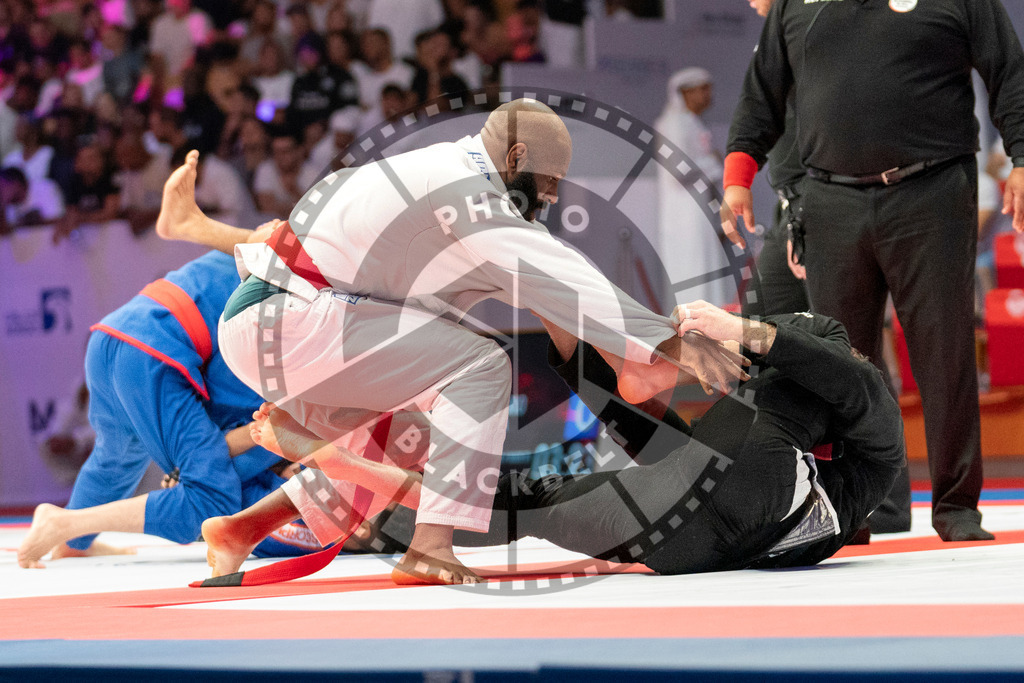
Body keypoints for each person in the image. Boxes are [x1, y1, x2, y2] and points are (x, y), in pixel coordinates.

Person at [215, 98, 749, 585]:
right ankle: (429, 548)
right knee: (485, 367)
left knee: (416, 441)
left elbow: (549, 286)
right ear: (516, 156)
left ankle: (242, 529)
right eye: (551, 180)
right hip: (290, 318)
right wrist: (664, 343)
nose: (554, 196)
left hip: (287, 321)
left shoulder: (446, 184)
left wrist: (632, 362)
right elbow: (557, 271)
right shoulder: (464, 191)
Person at [204, 301, 907, 577]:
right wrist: (581, 365)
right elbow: (673, 457)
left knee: (522, 500)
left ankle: (354, 486)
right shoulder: (797, 425)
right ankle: (366, 497)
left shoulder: (849, 396)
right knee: (521, 500)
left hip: (725, 516)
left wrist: (736, 333)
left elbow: (845, 378)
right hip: (699, 533)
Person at [721, 0, 1024, 541]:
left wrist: (1022, 158)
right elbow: (762, 90)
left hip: (932, 189)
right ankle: (855, 509)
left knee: (943, 350)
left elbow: (1009, 71)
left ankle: (956, 508)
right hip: (830, 197)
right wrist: (739, 172)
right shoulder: (798, 3)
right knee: (839, 363)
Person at [15, 167, 318, 567]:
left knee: (117, 456)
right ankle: (65, 523)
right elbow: (228, 440)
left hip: (115, 336)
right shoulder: (283, 321)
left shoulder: (250, 259)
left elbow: (225, 435)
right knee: (213, 495)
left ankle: (73, 542)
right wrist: (220, 455)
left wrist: (209, 452)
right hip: (154, 351)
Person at [736, 0, 809, 321]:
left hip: (820, 201)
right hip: (788, 206)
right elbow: (754, 116)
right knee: (760, 320)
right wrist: (736, 181)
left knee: (838, 328)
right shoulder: (774, 37)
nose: (749, 1)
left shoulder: (809, 31)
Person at [654, 67, 730, 307]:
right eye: (703, 89)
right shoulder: (672, 123)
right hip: (684, 216)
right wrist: (714, 162)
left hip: (701, 211)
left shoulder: (693, 123)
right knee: (691, 272)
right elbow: (677, 171)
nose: (709, 95)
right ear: (686, 92)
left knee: (708, 270)